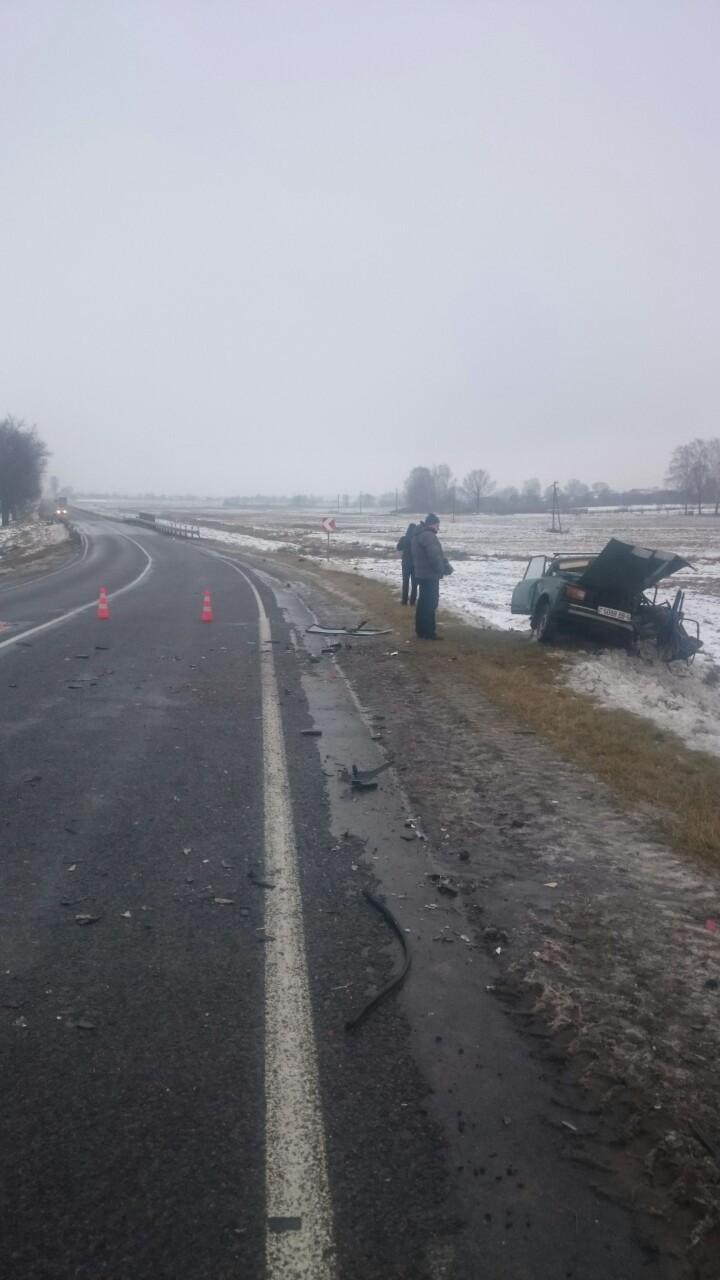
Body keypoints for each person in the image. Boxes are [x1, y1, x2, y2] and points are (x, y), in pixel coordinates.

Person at [411, 513, 452, 639]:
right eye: (438, 525)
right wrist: (441, 569)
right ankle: (429, 632)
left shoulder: (418, 534)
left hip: (420, 573)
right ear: (432, 524)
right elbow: (434, 557)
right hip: (430, 575)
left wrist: (443, 563)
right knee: (431, 603)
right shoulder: (429, 536)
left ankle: (420, 630)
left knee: (423, 602)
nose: (438, 528)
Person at [396, 522, 418, 605]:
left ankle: (404, 601)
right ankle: (413, 601)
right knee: (414, 583)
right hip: (415, 564)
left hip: (405, 563)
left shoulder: (404, 538)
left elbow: (398, 547)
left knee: (405, 582)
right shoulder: (417, 538)